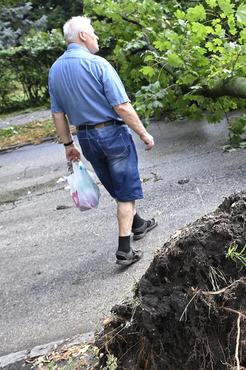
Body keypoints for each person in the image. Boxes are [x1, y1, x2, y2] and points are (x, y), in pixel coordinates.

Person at [49, 16, 156, 266]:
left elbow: (57, 113)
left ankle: (138, 225)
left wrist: (68, 144)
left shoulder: (55, 70)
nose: (97, 37)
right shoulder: (98, 64)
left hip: (86, 138)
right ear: (83, 35)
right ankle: (124, 250)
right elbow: (121, 106)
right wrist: (143, 133)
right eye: (93, 32)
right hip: (112, 135)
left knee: (119, 188)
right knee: (127, 191)